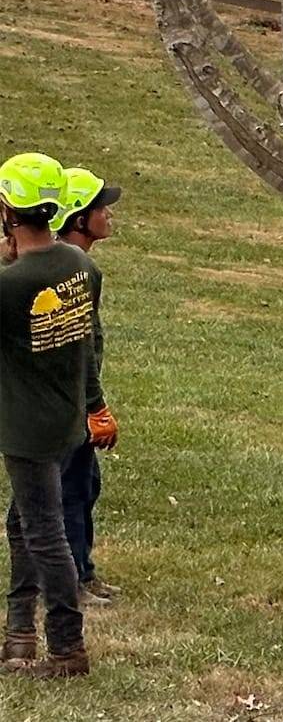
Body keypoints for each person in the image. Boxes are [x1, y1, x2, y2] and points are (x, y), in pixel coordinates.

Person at [0, 152, 94, 675]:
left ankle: (65, 646)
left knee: (43, 533)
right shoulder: (81, 267)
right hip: (66, 419)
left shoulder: (10, 286)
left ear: (9, 209)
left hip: (26, 427)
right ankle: (18, 635)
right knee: (24, 525)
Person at [50, 170, 117, 605]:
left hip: (69, 396)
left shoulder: (69, 263)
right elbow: (79, 346)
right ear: (78, 219)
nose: (108, 214)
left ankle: (83, 569)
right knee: (69, 488)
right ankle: (68, 578)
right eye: (100, 207)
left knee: (84, 484)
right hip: (66, 400)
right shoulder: (77, 270)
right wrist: (94, 406)